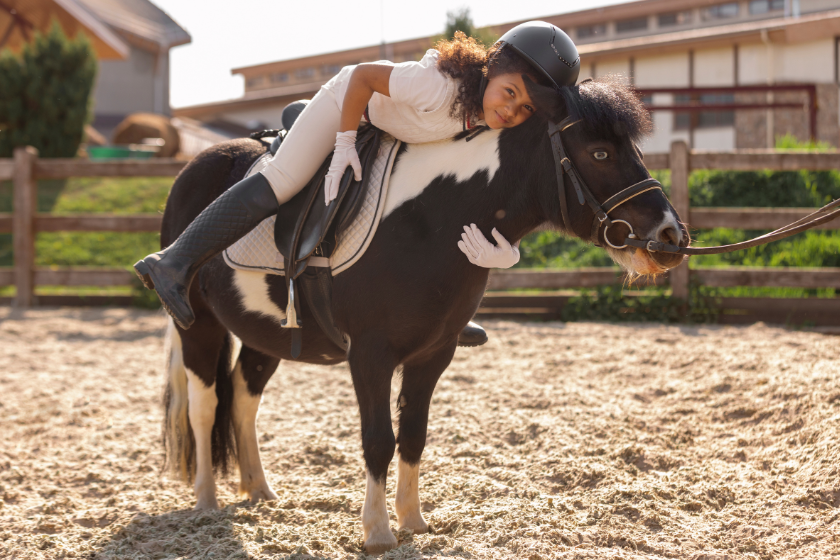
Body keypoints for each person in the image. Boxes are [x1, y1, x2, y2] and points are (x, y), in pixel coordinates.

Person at [134, 21, 581, 345]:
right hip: (348, 102)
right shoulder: (436, 87)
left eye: (525, 109)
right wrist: (344, 142)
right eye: (509, 93)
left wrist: (509, 251)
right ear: (491, 69)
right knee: (284, 180)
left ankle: (443, 313)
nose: (511, 112)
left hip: (399, 128)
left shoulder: (484, 120)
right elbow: (365, 76)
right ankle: (172, 262)